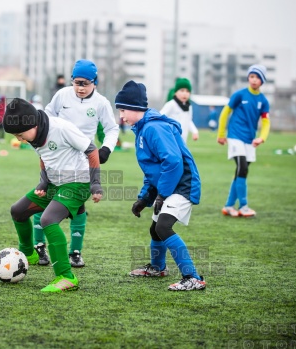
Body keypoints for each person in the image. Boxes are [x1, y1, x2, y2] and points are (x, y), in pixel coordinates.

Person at [3, 98, 103, 292]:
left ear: (32, 124)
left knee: (48, 220)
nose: (20, 139)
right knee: (18, 211)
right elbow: (44, 157)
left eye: (20, 134)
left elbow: (92, 151)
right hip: (54, 183)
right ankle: (28, 253)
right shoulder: (34, 134)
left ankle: (66, 276)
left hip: (77, 183)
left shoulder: (61, 128)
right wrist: (44, 181)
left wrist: (96, 184)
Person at [116, 80, 206, 291]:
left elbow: (173, 162)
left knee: (163, 226)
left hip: (183, 184)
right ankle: (158, 268)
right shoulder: (142, 129)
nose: (121, 116)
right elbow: (153, 171)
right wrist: (144, 198)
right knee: (155, 229)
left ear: (135, 108)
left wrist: (162, 194)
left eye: (122, 110)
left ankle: (193, 277)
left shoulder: (154, 128)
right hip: (169, 186)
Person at [33, 59, 119, 268]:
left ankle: (75, 252)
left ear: (95, 83)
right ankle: (39, 247)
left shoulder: (101, 103)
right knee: (42, 198)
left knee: (78, 204)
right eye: (77, 83)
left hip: (82, 160)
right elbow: (46, 117)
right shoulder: (62, 95)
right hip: (56, 156)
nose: (80, 88)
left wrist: (106, 148)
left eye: (85, 84)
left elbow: (112, 128)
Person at [217, 64, 270, 218]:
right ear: (248, 78)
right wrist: (221, 134)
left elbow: (266, 121)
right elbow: (225, 112)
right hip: (234, 136)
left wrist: (262, 138)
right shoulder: (239, 95)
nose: (254, 80)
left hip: (250, 140)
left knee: (240, 171)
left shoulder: (263, 101)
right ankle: (244, 206)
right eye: (252, 76)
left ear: (262, 81)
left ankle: (228, 205)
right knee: (242, 168)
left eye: (257, 77)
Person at [159, 78, 199, 144]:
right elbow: (159, 117)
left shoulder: (189, 106)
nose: (185, 94)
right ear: (175, 92)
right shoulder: (171, 104)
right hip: (171, 140)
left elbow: (188, 121)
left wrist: (195, 131)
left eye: (187, 91)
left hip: (183, 141)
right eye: (182, 90)